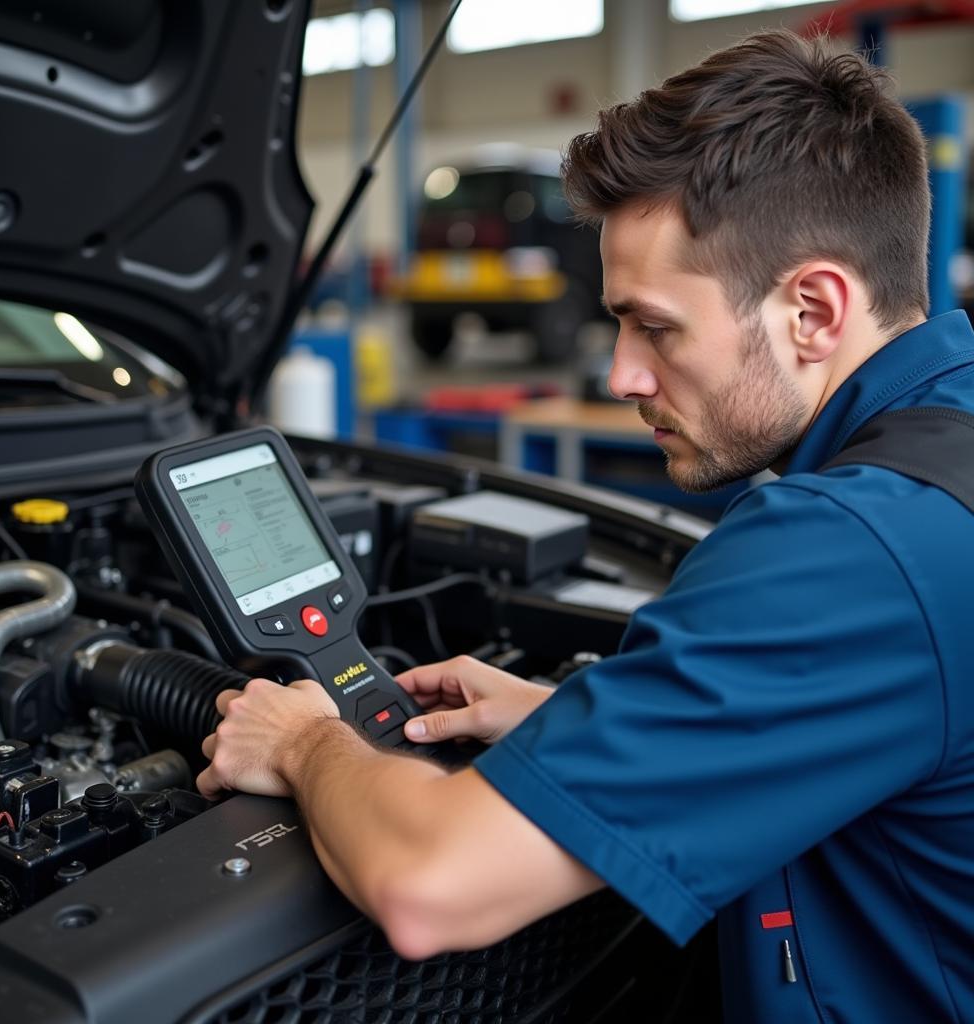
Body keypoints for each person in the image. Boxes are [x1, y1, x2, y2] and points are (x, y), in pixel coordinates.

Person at [197, 30, 974, 1023]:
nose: (620, 377)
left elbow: (429, 884)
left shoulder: (852, 550)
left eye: (653, 324)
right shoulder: (940, 449)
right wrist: (564, 722)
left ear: (814, 311)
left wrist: (304, 740)